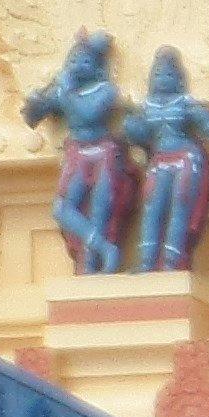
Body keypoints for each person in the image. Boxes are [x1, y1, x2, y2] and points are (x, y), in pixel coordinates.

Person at [126, 43, 209, 272]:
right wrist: (131, 127)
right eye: (157, 74)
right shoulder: (147, 108)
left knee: (180, 207)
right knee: (152, 208)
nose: (163, 79)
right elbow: (142, 136)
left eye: (168, 74)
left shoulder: (186, 106)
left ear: (179, 79)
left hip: (186, 160)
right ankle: (147, 260)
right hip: (159, 163)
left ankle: (172, 261)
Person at [23, 32, 139, 273]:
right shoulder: (64, 90)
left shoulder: (105, 90)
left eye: (86, 61)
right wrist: (36, 102)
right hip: (77, 153)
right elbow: (32, 117)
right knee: (62, 208)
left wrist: (65, 92)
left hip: (104, 153)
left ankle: (95, 266)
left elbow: (89, 113)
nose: (78, 65)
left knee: (100, 211)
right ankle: (104, 248)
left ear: (98, 67)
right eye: (74, 60)